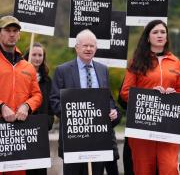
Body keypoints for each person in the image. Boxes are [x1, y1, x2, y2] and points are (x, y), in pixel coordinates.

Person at [50, 29, 121, 175]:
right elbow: (54, 100)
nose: (88, 49)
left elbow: (108, 100)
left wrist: (113, 112)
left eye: (92, 46)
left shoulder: (103, 70)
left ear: (96, 48)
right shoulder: (62, 70)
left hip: (98, 141)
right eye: (85, 45)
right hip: (73, 139)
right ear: (77, 47)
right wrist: (75, 116)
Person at [120, 19, 180, 175]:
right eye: (155, 32)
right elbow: (125, 92)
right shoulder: (137, 62)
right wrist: (151, 94)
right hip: (142, 127)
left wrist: (173, 95)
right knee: (143, 170)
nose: (159, 35)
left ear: (167, 37)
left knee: (170, 168)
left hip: (168, 127)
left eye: (162, 32)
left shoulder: (176, 63)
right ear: (148, 37)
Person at [0, 16, 42, 175]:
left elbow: (37, 95)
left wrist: (27, 105)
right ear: (0, 33)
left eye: (15, 31)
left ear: (19, 35)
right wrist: (2, 106)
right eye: (7, 30)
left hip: (17, 136)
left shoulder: (28, 67)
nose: (11, 34)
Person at [24, 42, 54, 175]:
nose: (37, 58)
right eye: (34, 54)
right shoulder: (20, 77)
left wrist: (48, 122)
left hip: (41, 133)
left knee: (40, 170)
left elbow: (51, 106)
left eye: (40, 55)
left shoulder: (48, 81)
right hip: (23, 132)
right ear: (27, 56)